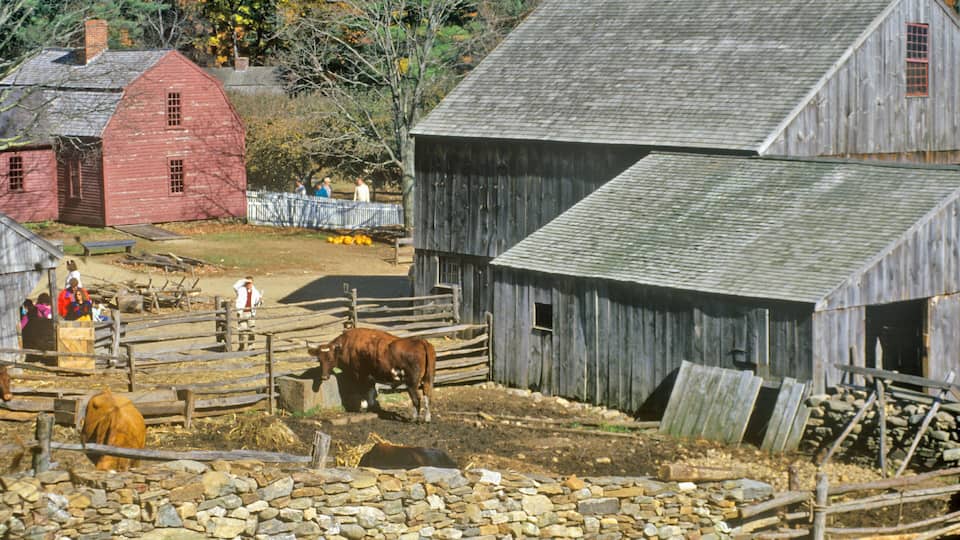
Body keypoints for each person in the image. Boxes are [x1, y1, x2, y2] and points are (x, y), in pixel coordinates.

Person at [233, 276, 263, 351]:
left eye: (250, 283)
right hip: (242, 312)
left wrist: (260, 301)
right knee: (242, 331)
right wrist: (244, 280)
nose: (249, 284)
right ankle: (241, 346)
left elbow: (258, 303)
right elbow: (234, 286)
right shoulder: (240, 289)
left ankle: (251, 347)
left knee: (251, 331)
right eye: (247, 283)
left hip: (251, 313)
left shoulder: (255, 291)